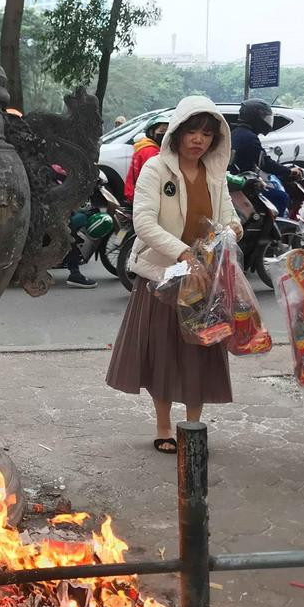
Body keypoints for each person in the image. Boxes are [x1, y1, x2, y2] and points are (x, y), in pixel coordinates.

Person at [106, 96, 241, 454]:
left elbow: (229, 217)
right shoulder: (156, 169)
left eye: (207, 134)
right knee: (164, 355)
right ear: (178, 133)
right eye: (192, 131)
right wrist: (182, 253)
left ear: (215, 140)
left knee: (200, 353)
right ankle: (163, 425)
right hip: (163, 276)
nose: (198, 140)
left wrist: (233, 231)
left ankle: (193, 424)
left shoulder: (215, 174)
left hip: (203, 280)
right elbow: (145, 223)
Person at [229, 98, 303, 216]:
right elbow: (265, 163)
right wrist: (288, 171)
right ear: (255, 118)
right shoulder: (249, 137)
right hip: (243, 186)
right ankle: (270, 231)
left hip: (239, 181)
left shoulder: (237, 132)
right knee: (281, 197)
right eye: (265, 117)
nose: (268, 121)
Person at [122, 114, 169, 204]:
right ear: (151, 132)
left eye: (168, 131)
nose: (165, 135)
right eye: (162, 131)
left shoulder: (143, 147)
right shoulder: (152, 152)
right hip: (144, 198)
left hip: (134, 195)